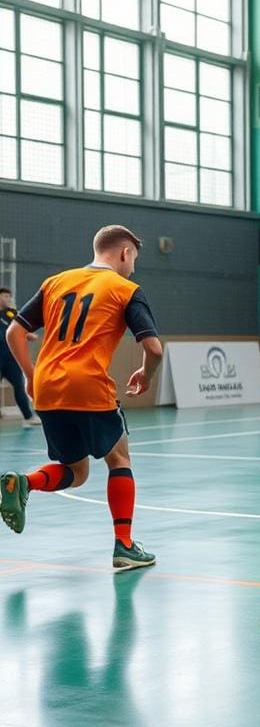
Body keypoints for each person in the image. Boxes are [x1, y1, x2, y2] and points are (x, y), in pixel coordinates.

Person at [1, 225, 163, 570]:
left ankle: (24, 482)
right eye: (133, 258)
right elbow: (154, 348)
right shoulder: (125, 289)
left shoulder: (56, 282)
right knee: (119, 459)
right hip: (88, 384)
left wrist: (32, 375)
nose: (133, 266)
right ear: (125, 253)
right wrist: (146, 376)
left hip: (48, 387)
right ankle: (124, 545)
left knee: (76, 471)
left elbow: (15, 330)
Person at [0, 287, 41, 426]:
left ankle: (28, 417)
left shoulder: (12, 314)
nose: (7, 299)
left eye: (8, 297)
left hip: (11, 358)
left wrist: (28, 335)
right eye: (4, 296)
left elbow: (19, 329)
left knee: (19, 386)